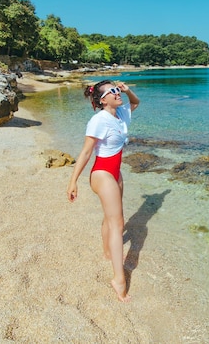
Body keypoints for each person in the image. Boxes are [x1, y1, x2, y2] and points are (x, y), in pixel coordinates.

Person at [67, 79, 140, 302]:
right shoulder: (98, 120)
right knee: (118, 223)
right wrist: (73, 181)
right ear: (102, 99)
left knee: (111, 218)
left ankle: (108, 252)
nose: (118, 93)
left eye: (117, 90)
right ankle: (119, 279)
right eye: (113, 91)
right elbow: (86, 152)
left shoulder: (121, 114)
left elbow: (136, 103)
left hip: (116, 172)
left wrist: (128, 91)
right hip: (102, 173)